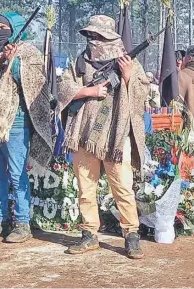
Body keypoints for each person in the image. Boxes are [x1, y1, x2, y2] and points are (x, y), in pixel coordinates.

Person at [57, 15, 149, 259]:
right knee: (85, 188)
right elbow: (64, 88)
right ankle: (89, 234)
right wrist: (91, 90)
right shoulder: (80, 62)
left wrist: (128, 76)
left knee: (122, 187)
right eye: (90, 36)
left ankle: (131, 235)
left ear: (109, 37)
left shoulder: (128, 61)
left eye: (97, 36)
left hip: (114, 137)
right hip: (83, 134)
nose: (92, 40)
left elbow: (143, 96)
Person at [0, 11, 53, 242]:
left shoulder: (29, 53)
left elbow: (35, 85)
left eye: (3, 27)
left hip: (15, 122)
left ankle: (22, 223)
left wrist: (14, 63)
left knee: (16, 174)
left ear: (14, 29)